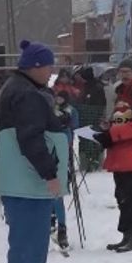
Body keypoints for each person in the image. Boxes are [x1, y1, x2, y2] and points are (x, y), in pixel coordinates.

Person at [0, 40, 68, 263]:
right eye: (48, 65)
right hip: (26, 180)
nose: (51, 71)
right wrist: (49, 173)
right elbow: (30, 137)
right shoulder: (26, 94)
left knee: (35, 240)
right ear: (35, 66)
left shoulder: (19, 88)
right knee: (28, 240)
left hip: (24, 179)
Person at [92, 57, 132, 253]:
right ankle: (128, 234)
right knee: (122, 195)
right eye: (121, 71)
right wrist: (107, 127)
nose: (123, 75)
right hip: (121, 151)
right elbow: (123, 120)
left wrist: (112, 134)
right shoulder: (122, 92)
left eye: (127, 71)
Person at [51, 91, 78, 249]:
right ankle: (50, 219)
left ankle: (62, 228)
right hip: (48, 149)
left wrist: (66, 123)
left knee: (58, 190)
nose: (58, 100)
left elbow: (74, 125)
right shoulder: (50, 108)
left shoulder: (71, 110)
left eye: (61, 97)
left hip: (63, 147)